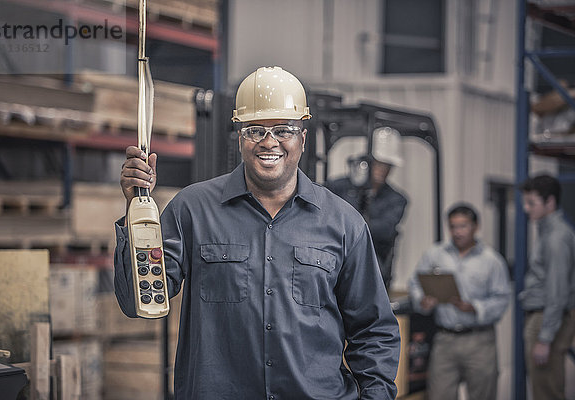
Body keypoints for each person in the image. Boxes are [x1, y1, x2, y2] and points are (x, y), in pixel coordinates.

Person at [114, 66, 400, 399]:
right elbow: (138, 301)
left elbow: (374, 330)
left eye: (283, 130)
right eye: (254, 130)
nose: (269, 142)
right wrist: (137, 211)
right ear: (240, 138)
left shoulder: (344, 223)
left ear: (302, 139)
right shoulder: (193, 209)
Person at [408, 203, 510, 400]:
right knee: (439, 394)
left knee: (483, 394)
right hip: (444, 339)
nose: (457, 232)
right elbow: (414, 283)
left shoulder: (492, 261)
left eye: (463, 226)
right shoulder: (435, 254)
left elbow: (502, 298)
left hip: (479, 340)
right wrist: (422, 301)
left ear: (475, 226)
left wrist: (475, 308)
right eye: (453, 226)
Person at [326, 127, 408, 290]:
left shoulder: (396, 200)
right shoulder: (337, 187)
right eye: (379, 164)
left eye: (387, 166)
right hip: (332, 254)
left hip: (371, 260)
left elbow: (384, 230)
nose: (382, 170)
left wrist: (347, 226)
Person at [519, 174, 575, 400]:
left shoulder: (556, 238)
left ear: (550, 202)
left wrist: (545, 338)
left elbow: (557, 291)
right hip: (544, 317)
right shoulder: (548, 232)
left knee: (547, 390)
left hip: (547, 319)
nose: (526, 208)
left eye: (532, 203)